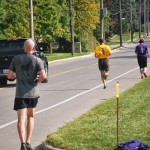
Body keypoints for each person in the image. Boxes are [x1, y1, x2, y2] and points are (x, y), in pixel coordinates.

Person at [7, 39, 47, 150]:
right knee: (31, 117)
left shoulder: (16, 59)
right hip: (33, 93)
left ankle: (22, 143)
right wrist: (36, 81)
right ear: (33, 48)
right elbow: (43, 77)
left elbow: (9, 75)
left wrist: (17, 75)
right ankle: (28, 142)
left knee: (21, 120)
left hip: (20, 94)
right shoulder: (38, 60)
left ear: (24, 48)